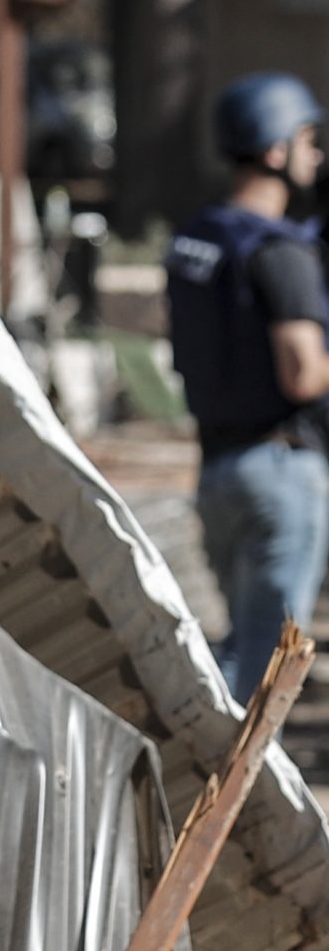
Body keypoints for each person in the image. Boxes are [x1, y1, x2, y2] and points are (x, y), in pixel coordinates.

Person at [166, 71, 329, 700]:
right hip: (280, 475)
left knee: (241, 647)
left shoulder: (197, 238)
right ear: (275, 149)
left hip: (216, 472)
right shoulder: (279, 250)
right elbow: (302, 372)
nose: (317, 155)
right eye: (308, 139)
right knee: (262, 675)